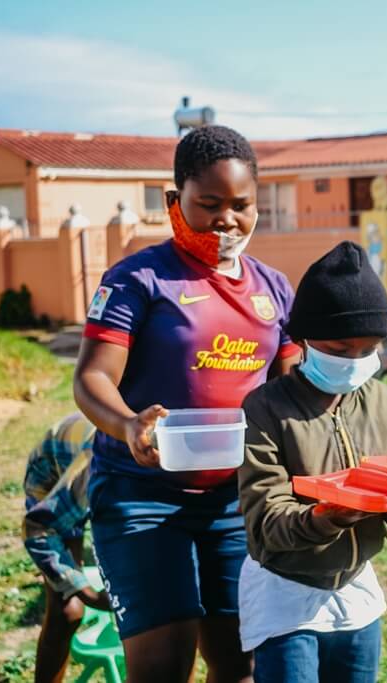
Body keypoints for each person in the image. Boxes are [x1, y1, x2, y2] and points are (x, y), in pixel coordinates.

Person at [73, 125, 301, 683]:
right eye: (210, 204)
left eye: (241, 205)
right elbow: (92, 377)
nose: (227, 219)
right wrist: (128, 423)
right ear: (176, 201)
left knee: (239, 662)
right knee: (162, 665)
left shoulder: (273, 289)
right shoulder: (139, 279)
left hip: (235, 499)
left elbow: (292, 383)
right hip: (140, 496)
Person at [237, 241, 387, 683]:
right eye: (340, 350)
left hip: (356, 588)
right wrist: (328, 517)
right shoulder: (266, 410)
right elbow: (265, 522)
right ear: (304, 340)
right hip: (284, 591)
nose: (356, 362)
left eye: (369, 349)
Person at [22, 412, 109, 683]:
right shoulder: (96, 466)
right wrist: (88, 594)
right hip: (54, 470)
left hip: (93, 481)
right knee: (67, 611)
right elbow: (39, 529)